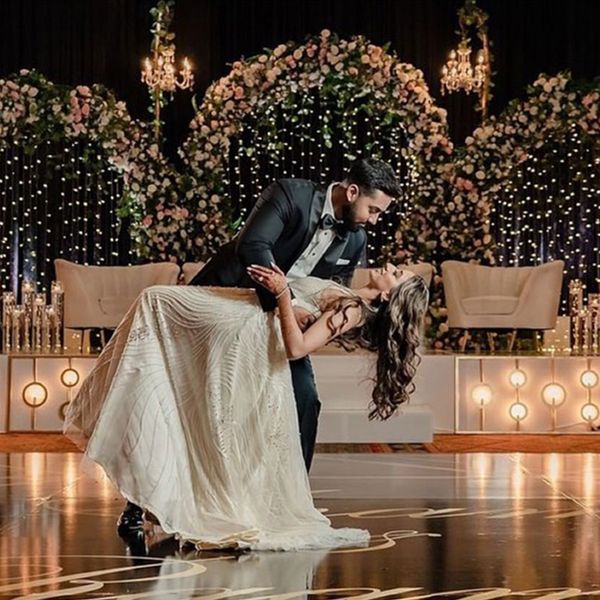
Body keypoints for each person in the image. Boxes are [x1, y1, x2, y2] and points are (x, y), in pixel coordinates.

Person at [116, 157, 402, 538]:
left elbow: (330, 290)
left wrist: (307, 316)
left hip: (275, 326)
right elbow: (253, 247)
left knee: (305, 401)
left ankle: (288, 504)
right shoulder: (290, 194)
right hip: (222, 307)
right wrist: (289, 304)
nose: (374, 219)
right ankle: (138, 503)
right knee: (180, 397)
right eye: (373, 209)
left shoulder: (356, 237)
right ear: (351, 192)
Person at [64, 263, 429, 551]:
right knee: (153, 309)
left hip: (246, 331)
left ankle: (130, 445)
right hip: (243, 311)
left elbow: (297, 348)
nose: (390, 266)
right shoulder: (354, 296)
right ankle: (138, 454)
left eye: (397, 275)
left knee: (154, 301)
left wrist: (284, 295)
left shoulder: (352, 310)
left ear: (389, 298)